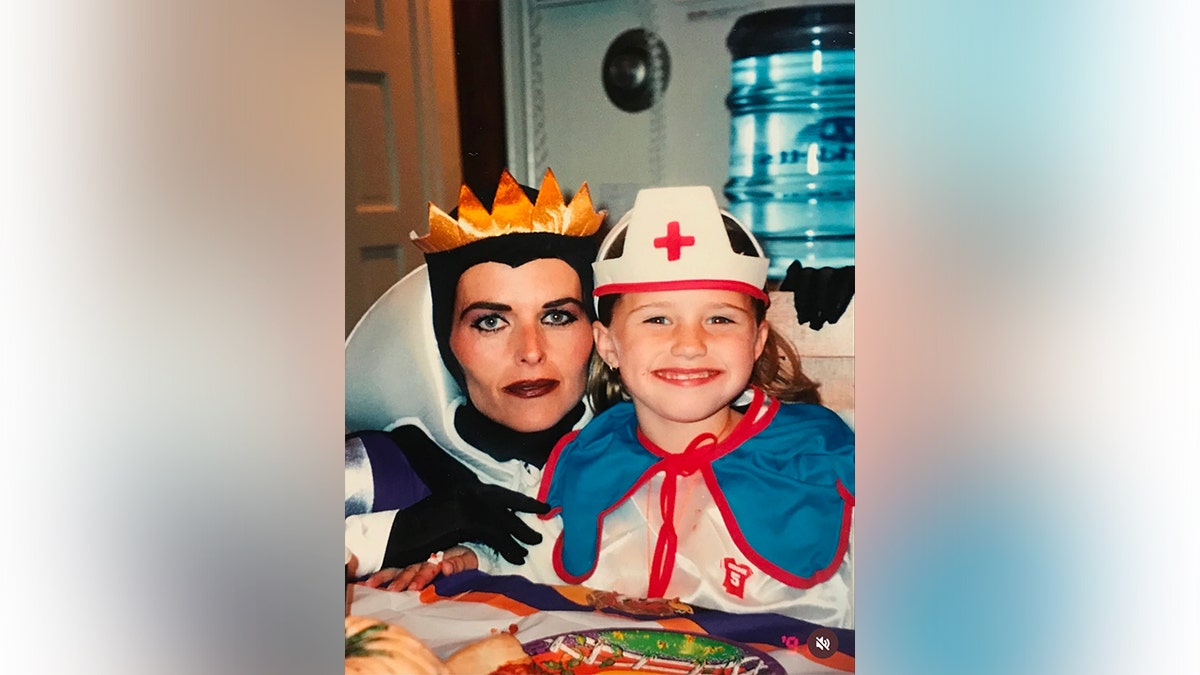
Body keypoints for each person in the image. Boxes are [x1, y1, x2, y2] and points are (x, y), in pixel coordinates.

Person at [404, 186, 855, 628]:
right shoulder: (588, 454)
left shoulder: (825, 457)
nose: (690, 345)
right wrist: (472, 559)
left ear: (756, 340)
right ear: (608, 345)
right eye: (657, 319)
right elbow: (540, 554)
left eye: (720, 318)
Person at [344, 168, 606, 582]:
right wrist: (398, 533)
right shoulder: (375, 470)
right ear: (444, 339)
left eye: (557, 316)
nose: (530, 352)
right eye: (490, 322)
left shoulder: (658, 456)